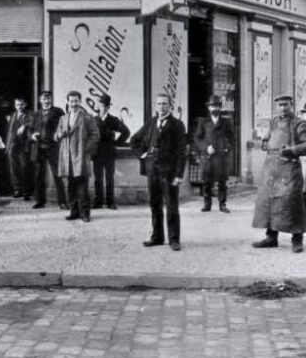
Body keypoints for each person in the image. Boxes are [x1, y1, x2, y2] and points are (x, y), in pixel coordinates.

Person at [251, 94, 306, 253]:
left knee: (292, 203)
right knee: (269, 202)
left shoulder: (300, 123)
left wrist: (293, 150)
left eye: (286, 105)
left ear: (292, 105)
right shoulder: (274, 122)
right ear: (276, 107)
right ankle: (271, 237)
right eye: (280, 105)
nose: (283, 108)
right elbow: (269, 138)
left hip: (289, 169)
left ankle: (297, 240)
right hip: (271, 168)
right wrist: (263, 141)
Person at [130, 93, 188, 251]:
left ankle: (174, 240)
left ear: (170, 106)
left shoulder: (177, 125)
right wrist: (142, 155)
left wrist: (178, 175)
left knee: (171, 206)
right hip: (152, 172)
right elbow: (134, 140)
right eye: (159, 104)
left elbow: (182, 152)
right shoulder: (151, 123)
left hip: (169, 173)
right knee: (154, 205)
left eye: (164, 104)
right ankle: (157, 237)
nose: (161, 107)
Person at [55, 90, 100, 222]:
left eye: (76, 101)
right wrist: (59, 134)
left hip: (80, 156)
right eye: (71, 101)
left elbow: (95, 135)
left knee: (82, 187)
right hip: (67, 158)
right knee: (71, 186)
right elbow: (56, 135)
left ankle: (85, 213)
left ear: (80, 102)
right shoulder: (63, 118)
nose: (73, 104)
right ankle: (74, 211)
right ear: (67, 103)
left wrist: (85, 150)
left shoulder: (87, 118)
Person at [192, 95, 235, 213]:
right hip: (207, 157)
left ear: (220, 107)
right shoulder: (203, 122)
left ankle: (222, 204)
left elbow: (232, 138)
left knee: (222, 182)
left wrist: (227, 149)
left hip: (221, 157)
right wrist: (206, 148)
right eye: (212, 106)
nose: (214, 108)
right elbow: (197, 138)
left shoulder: (226, 121)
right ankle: (207, 205)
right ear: (208, 108)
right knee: (206, 181)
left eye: (216, 106)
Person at [28, 91, 68, 210]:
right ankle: (40, 201)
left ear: (51, 100)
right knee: (39, 175)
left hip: (53, 147)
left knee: (57, 174)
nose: (46, 101)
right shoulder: (36, 114)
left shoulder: (58, 112)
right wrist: (32, 135)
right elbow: (30, 129)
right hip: (39, 148)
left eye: (48, 99)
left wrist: (59, 133)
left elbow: (64, 125)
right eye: (44, 99)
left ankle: (62, 202)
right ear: (40, 100)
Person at [92, 93, 129, 210]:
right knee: (97, 178)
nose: (103, 108)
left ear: (109, 107)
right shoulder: (93, 120)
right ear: (98, 106)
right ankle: (98, 201)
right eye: (102, 105)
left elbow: (126, 132)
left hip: (109, 152)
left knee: (109, 178)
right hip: (97, 153)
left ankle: (110, 202)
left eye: (106, 106)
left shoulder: (114, 120)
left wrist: (116, 143)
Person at [5, 96, 33, 201]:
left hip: (24, 145)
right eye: (17, 105)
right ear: (15, 105)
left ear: (25, 104)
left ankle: (26, 191)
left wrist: (25, 126)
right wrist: (8, 146)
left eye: (21, 104)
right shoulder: (13, 115)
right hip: (13, 145)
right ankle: (17, 189)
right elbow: (10, 131)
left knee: (24, 167)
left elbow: (33, 123)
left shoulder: (30, 114)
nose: (19, 107)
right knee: (13, 168)